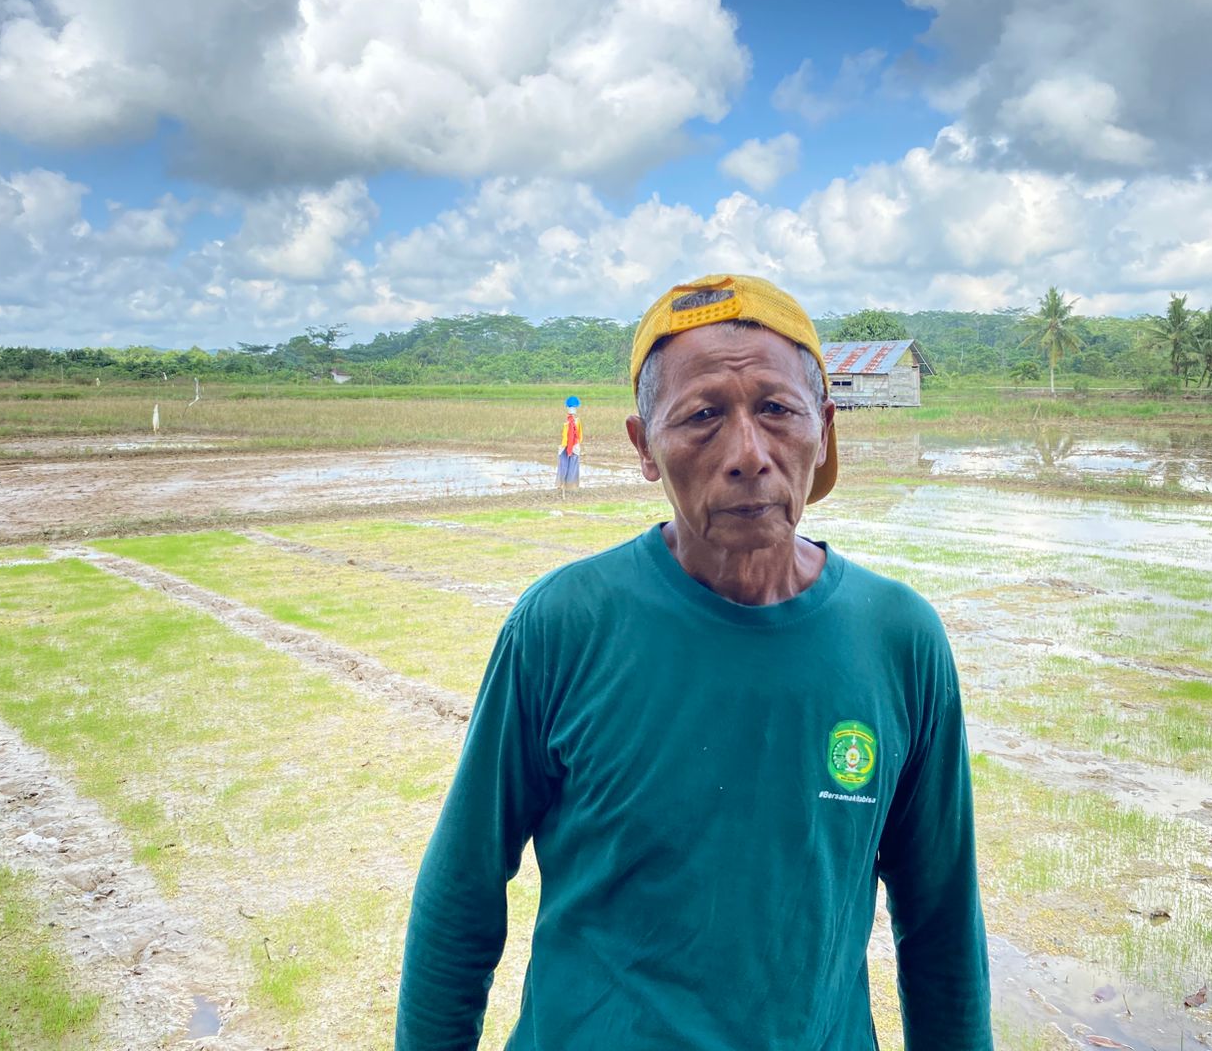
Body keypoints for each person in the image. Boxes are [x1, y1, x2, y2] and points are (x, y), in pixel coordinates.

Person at [397, 273, 992, 1050]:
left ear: (824, 427)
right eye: (703, 416)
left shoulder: (898, 640)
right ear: (644, 447)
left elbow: (941, 922)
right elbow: (462, 893)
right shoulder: (562, 627)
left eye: (776, 410)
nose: (748, 454)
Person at [556, 395, 582, 489]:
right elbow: (578, 435)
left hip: (571, 445)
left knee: (565, 464)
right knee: (570, 464)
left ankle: (566, 484)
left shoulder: (574, 421)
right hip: (569, 445)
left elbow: (576, 434)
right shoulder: (571, 422)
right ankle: (568, 484)